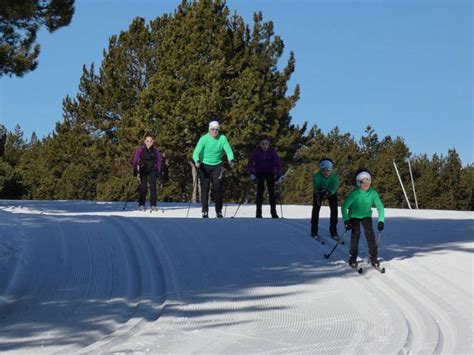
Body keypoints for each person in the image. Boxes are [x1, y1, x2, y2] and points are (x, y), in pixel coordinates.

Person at [341, 170, 385, 267]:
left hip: (366, 216)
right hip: (354, 216)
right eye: (363, 182)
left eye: (368, 182)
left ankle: (373, 257)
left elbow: (380, 207)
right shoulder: (354, 194)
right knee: (355, 234)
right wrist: (346, 220)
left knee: (370, 234)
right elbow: (344, 207)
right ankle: (352, 257)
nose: (366, 184)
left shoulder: (373, 193)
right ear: (358, 183)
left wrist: (381, 220)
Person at [192, 121, 234, 218]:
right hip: (204, 164)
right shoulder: (204, 139)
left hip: (217, 165)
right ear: (209, 129)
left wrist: (231, 159)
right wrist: (197, 161)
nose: (215, 131)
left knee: (218, 187)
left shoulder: (222, 138)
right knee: (205, 188)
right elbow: (195, 153)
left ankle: (218, 211)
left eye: (217, 129)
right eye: (213, 129)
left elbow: (229, 150)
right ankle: (204, 211)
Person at [247, 135, 282, 218]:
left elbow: (277, 163)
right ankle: (258, 211)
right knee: (260, 190)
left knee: (271, 191)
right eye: (263, 144)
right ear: (260, 144)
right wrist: (251, 173)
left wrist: (278, 174)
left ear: (269, 144)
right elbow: (250, 163)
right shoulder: (256, 151)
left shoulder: (272, 151)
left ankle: (273, 211)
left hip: (270, 172)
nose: (265, 146)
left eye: (266, 144)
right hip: (259, 172)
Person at [132, 132, 162, 211]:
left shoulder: (155, 150)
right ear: (145, 141)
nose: (149, 143)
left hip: (152, 169)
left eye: (151, 141)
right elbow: (135, 160)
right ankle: (141, 204)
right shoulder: (140, 149)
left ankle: (153, 205)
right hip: (143, 169)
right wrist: (135, 169)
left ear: (153, 142)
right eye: (147, 141)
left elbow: (159, 161)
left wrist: (158, 171)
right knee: (143, 187)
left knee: (153, 187)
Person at [311, 158, 339, 237]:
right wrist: (320, 192)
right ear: (320, 170)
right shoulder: (316, 177)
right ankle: (314, 230)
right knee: (316, 209)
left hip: (331, 192)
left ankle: (333, 231)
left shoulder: (335, 177)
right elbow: (315, 189)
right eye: (323, 170)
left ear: (331, 169)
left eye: (328, 170)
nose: (326, 172)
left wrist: (329, 192)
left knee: (334, 210)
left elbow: (334, 188)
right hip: (319, 192)